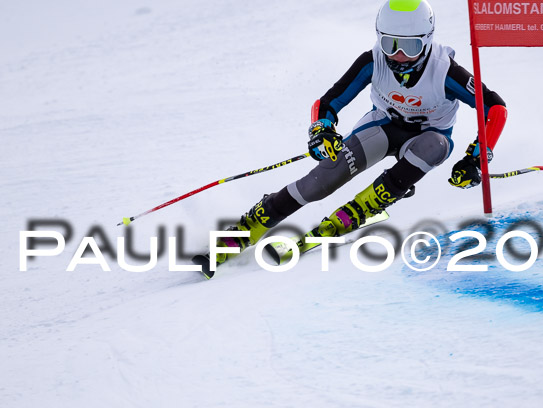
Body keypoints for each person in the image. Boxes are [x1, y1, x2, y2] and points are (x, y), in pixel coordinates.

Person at [207, 0, 507, 271]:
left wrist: (477, 157)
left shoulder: (444, 70)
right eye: (390, 44)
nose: (399, 56)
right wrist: (322, 129)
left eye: (410, 47)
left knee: (436, 145)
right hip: (382, 128)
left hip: (427, 138)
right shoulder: (373, 60)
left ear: (427, 42)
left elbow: (495, 108)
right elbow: (328, 103)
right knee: (318, 184)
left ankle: (360, 209)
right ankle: (244, 231)